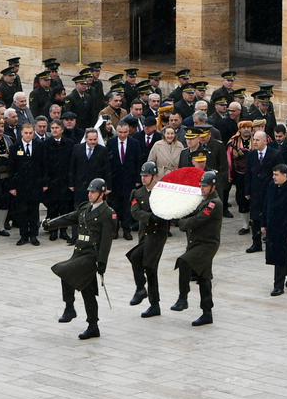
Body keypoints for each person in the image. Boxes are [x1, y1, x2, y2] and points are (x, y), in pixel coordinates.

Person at [44, 177, 116, 340]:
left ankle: (70, 308)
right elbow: (69, 217)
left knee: (64, 271)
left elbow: (106, 241)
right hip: (79, 253)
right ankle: (93, 325)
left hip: (91, 256)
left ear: (102, 194)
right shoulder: (85, 208)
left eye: (93, 192)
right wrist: (50, 224)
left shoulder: (107, 213)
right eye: (89, 191)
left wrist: (102, 262)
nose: (90, 194)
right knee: (87, 291)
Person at [172, 170, 222, 327]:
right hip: (197, 243)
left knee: (183, 262)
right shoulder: (202, 200)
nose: (202, 188)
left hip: (207, 244)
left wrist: (181, 223)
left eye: (205, 186)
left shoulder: (214, 203)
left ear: (213, 187)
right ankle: (207, 313)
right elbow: (191, 212)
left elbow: (198, 219)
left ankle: (183, 298)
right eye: (201, 185)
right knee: (204, 277)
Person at [126, 162, 169, 316]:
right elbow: (135, 212)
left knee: (148, 265)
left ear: (154, 176)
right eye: (142, 176)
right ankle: (144, 292)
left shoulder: (162, 192)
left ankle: (146, 294)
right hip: (145, 234)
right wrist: (151, 217)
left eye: (147, 176)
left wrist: (157, 218)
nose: (144, 179)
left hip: (158, 234)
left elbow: (166, 213)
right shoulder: (138, 193)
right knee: (137, 259)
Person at [260, 163, 287, 296]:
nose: (274, 177)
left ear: (285, 175)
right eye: (273, 174)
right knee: (274, 256)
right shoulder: (272, 186)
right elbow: (266, 205)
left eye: (276, 175)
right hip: (272, 227)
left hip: (285, 229)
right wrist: (263, 224)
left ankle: (278, 286)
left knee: (280, 258)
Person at [9, 123, 44, 244]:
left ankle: (34, 235)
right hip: (21, 185)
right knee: (22, 211)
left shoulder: (40, 146)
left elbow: (44, 166)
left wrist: (44, 183)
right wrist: (12, 187)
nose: (28, 135)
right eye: (26, 133)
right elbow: (12, 168)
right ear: (21, 133)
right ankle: (23, 235)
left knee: (34, 211)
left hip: (35, 184)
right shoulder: (15, 148)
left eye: (30, 133)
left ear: (33, 133)